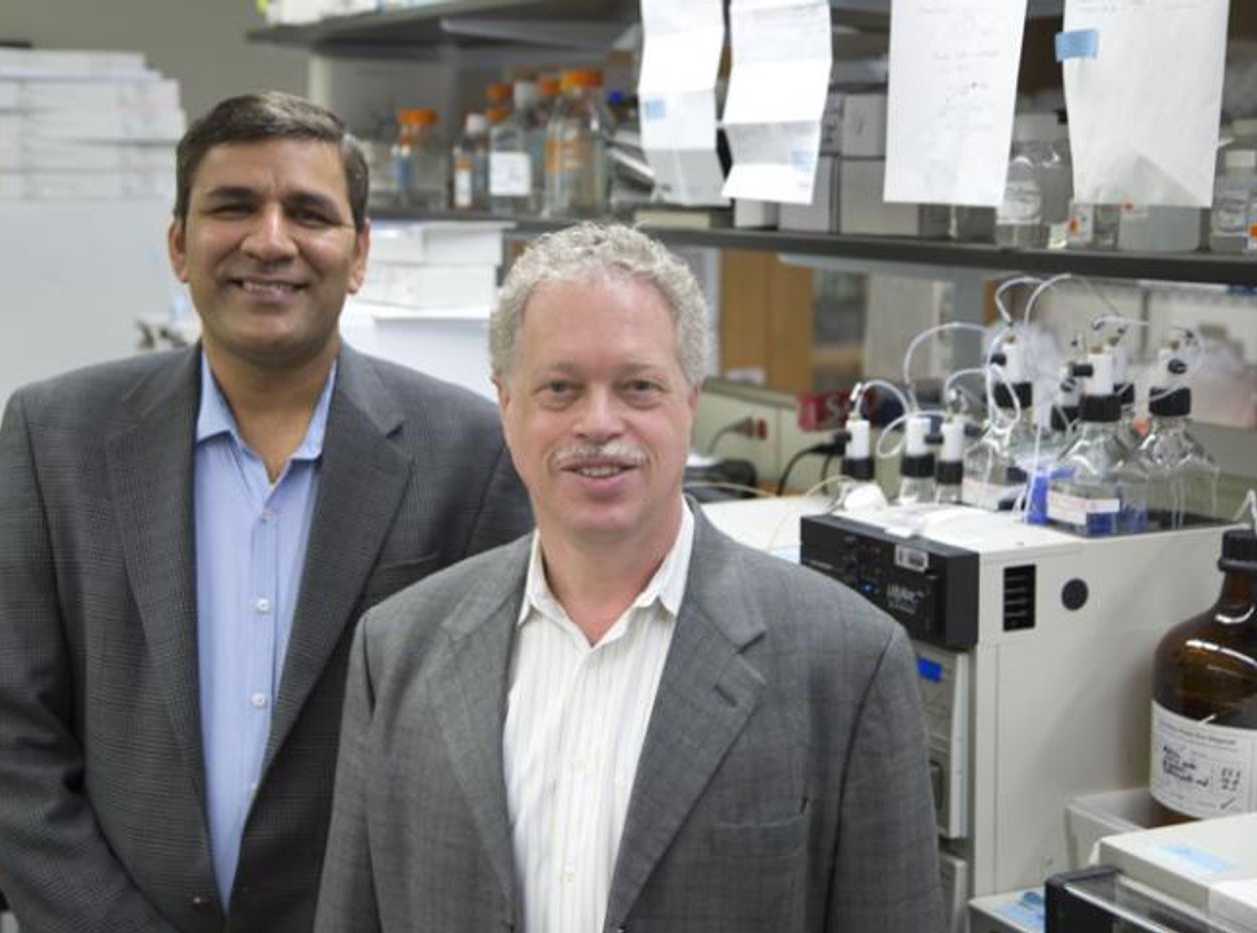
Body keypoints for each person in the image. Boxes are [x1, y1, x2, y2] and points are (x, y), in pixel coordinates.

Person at [0, 92, 531, 933]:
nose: (270, 240)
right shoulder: (56, 438)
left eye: (309, 212)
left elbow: (499, 755)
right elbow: (3, 740)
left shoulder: (472, 454)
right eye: (232, 207)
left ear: (359, 252)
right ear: (179, 245)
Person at [316, 222, 943, 933]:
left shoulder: (848, 665)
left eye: (638, 386)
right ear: (507, 403)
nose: (599, 422)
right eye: (560, 388)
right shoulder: (397, 648)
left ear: (689, 401)